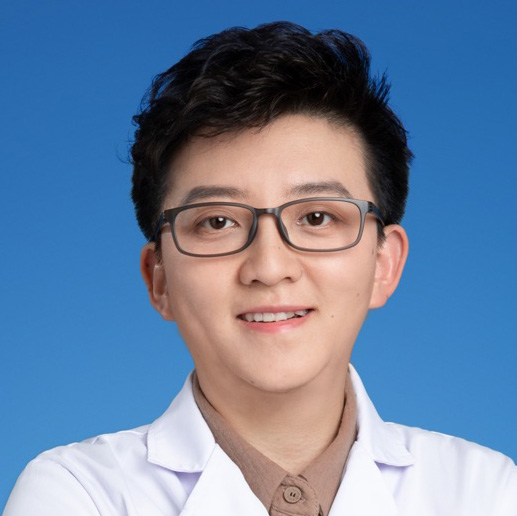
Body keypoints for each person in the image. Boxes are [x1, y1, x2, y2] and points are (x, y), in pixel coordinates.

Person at [4, 21, 516, 516]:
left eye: (317, 218)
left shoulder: (487, 492)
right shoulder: (78, 495)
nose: (269, 268)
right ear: (158, 278)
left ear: (384, 263)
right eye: (218, 222)